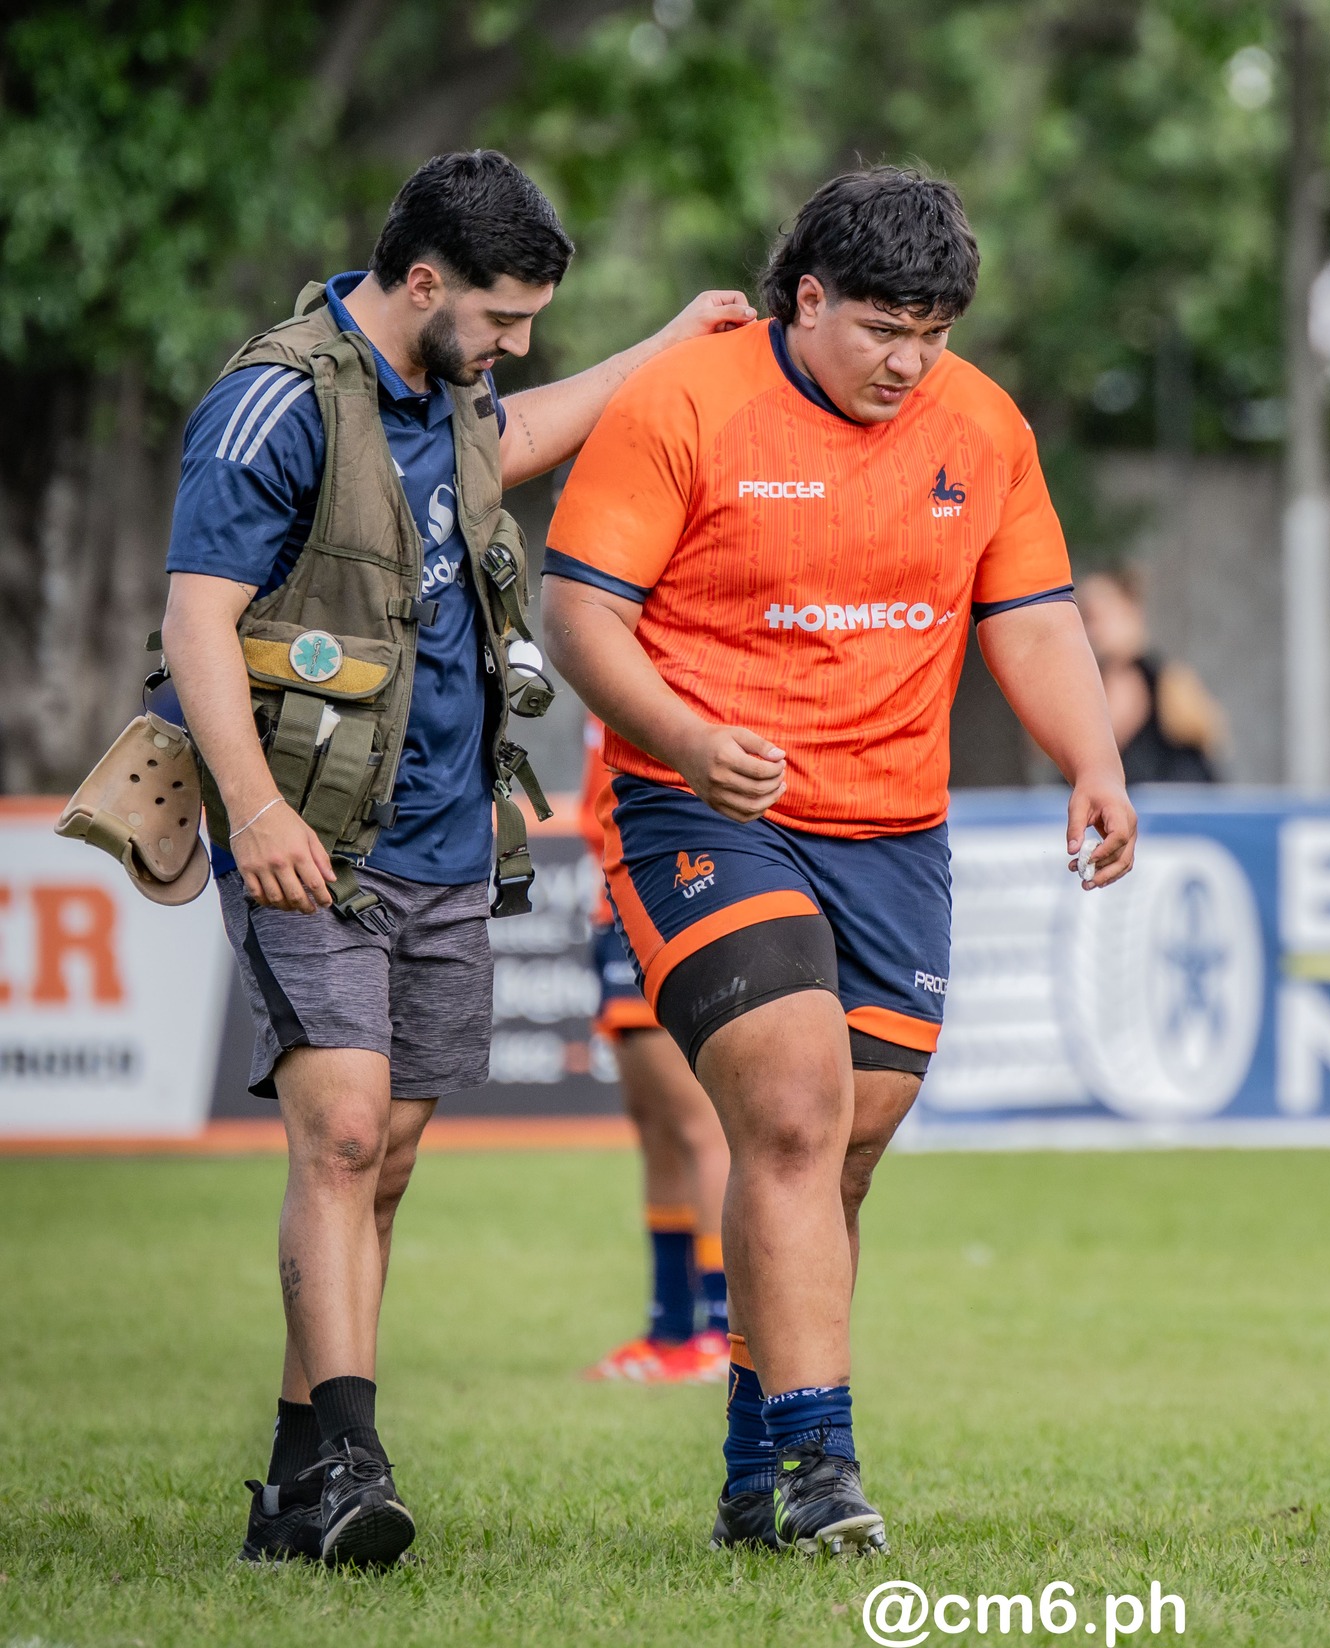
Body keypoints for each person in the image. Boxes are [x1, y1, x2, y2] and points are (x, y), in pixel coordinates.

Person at [159, 148, 753, 1568]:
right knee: (345, 1132)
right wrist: (254, 815)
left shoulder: (456, 391)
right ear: (419, 281)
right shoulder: (273, 402)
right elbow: (196, 624)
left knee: (393, 1155)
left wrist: (667, 346)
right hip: (309, 834)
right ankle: (354, 1463)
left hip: (443, 832)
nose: (513, 345)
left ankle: (298, 1480)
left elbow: (523, 436)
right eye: (497, 317)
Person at [542, 166, 1136, 1556]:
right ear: (804, 299)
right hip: (703, 810)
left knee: (840, 1156)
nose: (910, 360)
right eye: (881, 326)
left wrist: (1094, 758)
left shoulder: (981, 424)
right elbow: (580, 616)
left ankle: (756, 1469)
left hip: (892, 828)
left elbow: (1037, 619)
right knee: (798, 1115)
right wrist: (687, 740)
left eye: (932, 330)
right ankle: (822, 1467)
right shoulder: (684, 404)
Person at [576, 715, 733, 1383]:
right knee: (656, 1124)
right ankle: (670, 1328)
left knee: (701, 1124)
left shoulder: (675, 652)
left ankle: (725, 1329)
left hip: (668, 887)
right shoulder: (599, 640)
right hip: (615, 896)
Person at [1075, 569, 1227, 783]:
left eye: (1094, 617)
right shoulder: (1167, 676)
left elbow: (1093, 752)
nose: (1090, 631)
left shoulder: (1129, 679)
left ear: (1130, 611)